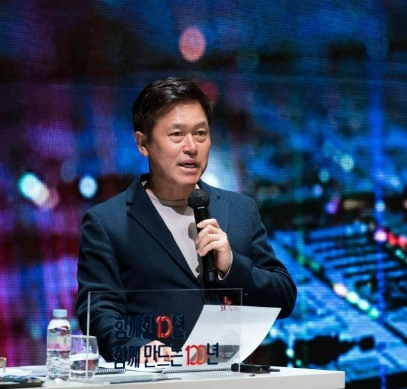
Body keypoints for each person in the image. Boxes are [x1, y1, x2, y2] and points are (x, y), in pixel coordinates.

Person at [75, 77, 297, 364]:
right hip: (156, 379)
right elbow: (98, 314)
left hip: (231, 380)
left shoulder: (240, 210)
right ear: (143, 143)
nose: (191, 147)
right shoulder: (108, 223)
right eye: (177, 134)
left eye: (201, 133)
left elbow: (283, 298)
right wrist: (136, 348)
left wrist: (232, 267)